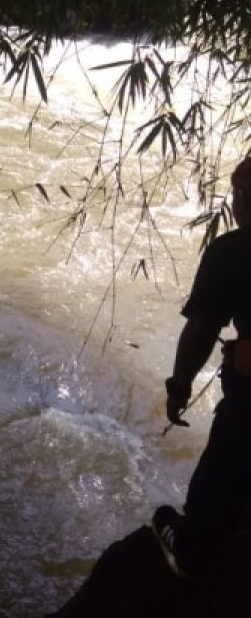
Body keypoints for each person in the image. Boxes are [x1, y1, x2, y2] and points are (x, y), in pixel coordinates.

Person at [153, 156, 251, 578]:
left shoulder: (233, 252)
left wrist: (179, 387)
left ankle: (192, 547)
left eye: (237, 194)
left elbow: (201, 330)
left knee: (214, 494)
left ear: (244, 199)